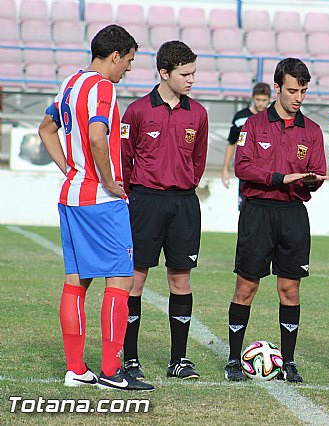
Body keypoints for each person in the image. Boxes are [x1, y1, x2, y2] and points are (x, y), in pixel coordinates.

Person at [38, 24, 153, 391]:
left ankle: (76, 369)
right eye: (129, 61)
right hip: (100, 201)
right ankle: (111, 371)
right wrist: (105, 179)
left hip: (71, 195)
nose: (129, 70)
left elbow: (45, 129)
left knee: (76, 281)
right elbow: (96, 136)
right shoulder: (103, 87)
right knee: (121, 279)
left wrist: (71, 170)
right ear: (115, 56)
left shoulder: (69, 83)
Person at [224, 58, 328, 383]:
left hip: (294, 215)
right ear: (278, 88)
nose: (298, 97)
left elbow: (317, 169)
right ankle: (231, 360)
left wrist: (312, 180)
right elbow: (243, 167)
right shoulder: (253, 125)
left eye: (304, 91)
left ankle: (290, 362)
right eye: (293, 90)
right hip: (258, 212)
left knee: (290, 289)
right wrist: (280, 177)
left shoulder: (311, 130)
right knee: (246, 287)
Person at [120, 41, 209, 381]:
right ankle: (130, 359)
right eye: (185, 74)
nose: (191, 80)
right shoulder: (138, 111)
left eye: (193, 73)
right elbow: (125, 159)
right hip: (145, 202)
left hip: (184, 203)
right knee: (135, 279)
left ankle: (179, 360)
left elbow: (197, 161)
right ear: (164, 73)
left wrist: (182, 183)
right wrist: (136, 195)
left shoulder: (198, 113)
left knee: (180, 279)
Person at [223, 82, 271, 208]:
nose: (261, 103)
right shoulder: (240, 118)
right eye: (258, 99)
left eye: (264, 100)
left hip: (267, 171)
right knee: (245, 208)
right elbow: (231, 143)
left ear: (269, 100)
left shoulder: (273, 118)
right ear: (253, 98)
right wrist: (225, 169)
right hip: (246, 172)